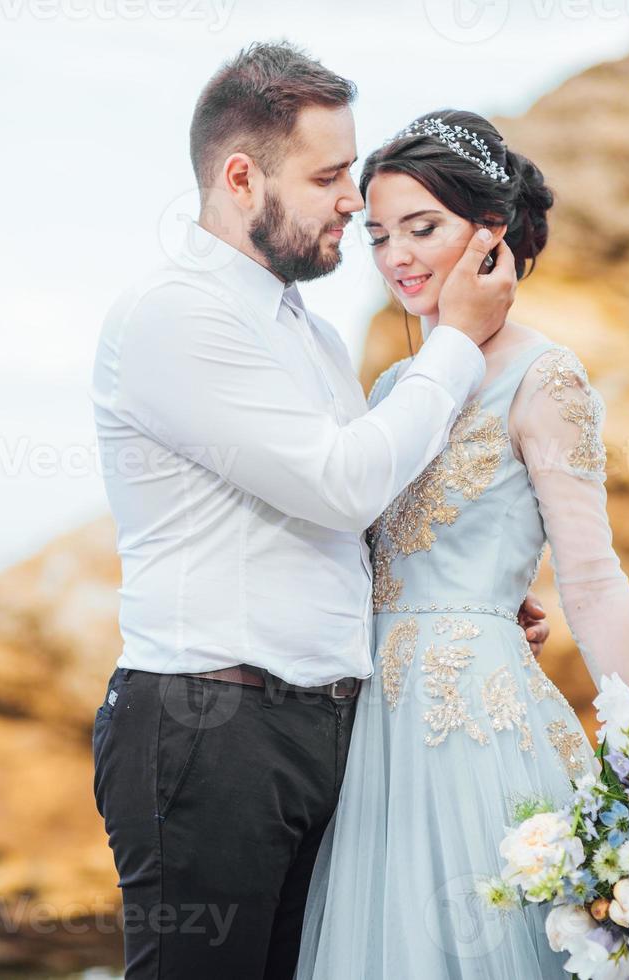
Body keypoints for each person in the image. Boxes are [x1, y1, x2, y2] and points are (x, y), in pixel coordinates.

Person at [88, 43, 546, 979]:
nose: (353, 199)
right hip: (209, 728)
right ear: (242, 176)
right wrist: (456, 339)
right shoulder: (175, 316)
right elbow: (343, 482)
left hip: (320, 732)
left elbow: (347, 518)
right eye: (329, 175)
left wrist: (459, 589)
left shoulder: (308, 332)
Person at [294, 109, 629, 979]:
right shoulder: (393, 385)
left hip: (476, 729)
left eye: (424, 228)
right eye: (379, 236)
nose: (397, 258)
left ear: (492, 237)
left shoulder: (547, 376)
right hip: (365, 726)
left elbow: (594, 578)